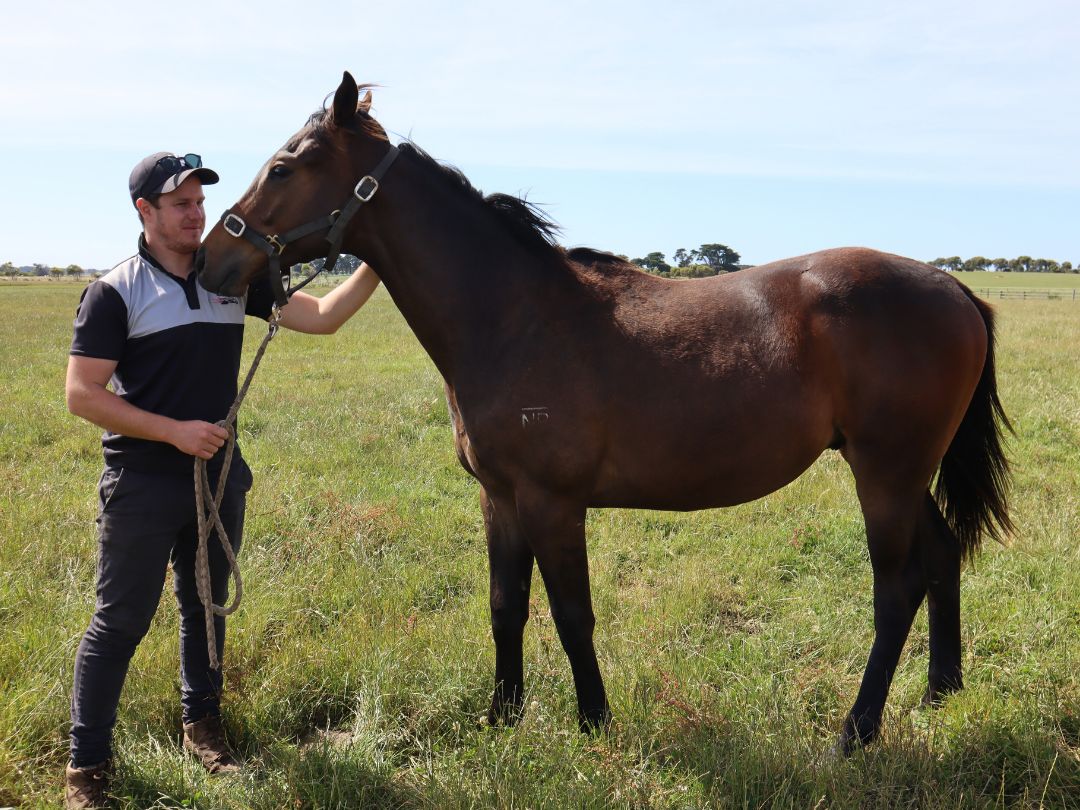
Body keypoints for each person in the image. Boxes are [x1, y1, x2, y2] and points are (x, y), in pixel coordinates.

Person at [63, 152, 380, 808]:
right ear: (145, 212)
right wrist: (173, 431)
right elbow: (83, 394)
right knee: (120, 621)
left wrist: (379, 258)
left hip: (220, 478)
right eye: (180, 203)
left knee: (204, 607)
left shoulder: (232, 279)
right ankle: (86, 766)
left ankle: (202, 728)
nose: (196, 213)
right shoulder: (114, 292)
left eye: (199, 200)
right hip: (143, 481)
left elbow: (322, 317)